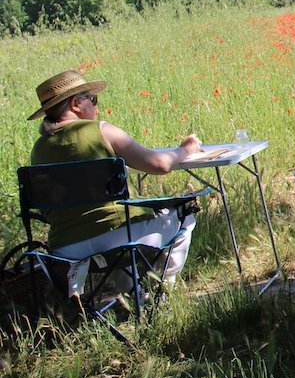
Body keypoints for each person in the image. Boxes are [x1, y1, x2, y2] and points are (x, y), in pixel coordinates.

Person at [28, 70, 202, 292]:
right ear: (76, 104)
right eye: (93, 99)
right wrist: (185, 149)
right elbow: (159, 164)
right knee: (184, 214)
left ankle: (132, 295)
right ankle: (162, 291)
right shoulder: (100, 130)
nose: (96, 106)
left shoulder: (38, 150)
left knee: (119, 226)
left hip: (66, 249)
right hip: (119, 238)